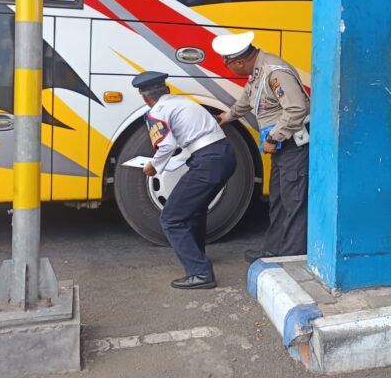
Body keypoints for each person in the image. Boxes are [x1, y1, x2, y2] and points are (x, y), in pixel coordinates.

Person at [211, 32, 310, 263]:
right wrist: (225, 117)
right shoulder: (258, 72)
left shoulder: (274, 72)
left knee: (294, 202)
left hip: (292, 145)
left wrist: (274, 137)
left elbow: (297, 108)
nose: (230, 70)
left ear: (239, 62)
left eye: (229, 65)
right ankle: (274, 250)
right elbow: (247, 100)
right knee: (278, 199)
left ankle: (291, 258)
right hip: (282, 147)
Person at [133, 71, 236, 289]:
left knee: (171, 218)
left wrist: (154, 166)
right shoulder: (184, 102)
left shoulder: (157, 111)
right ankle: (197, 255)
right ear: (167, 89)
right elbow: (195, 140)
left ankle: (200, 273)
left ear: (145, 97)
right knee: (195, 208)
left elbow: (167, 145)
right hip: (224, 155)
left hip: (208, 161)